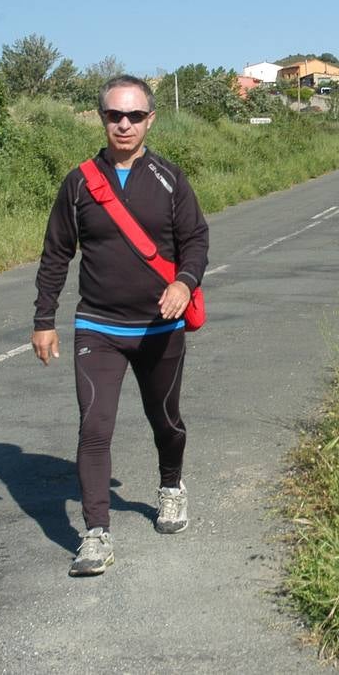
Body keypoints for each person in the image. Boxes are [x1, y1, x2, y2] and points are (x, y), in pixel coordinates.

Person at [31, 75, 210, 577]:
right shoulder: (79, 182)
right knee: (94, 427)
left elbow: (195, 239)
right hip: (98, 326)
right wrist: (44, 319)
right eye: (115, 115)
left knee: (165, 420)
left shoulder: (170, 179)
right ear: (102, 118)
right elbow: (55, 255)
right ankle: (96, 534)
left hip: (159, 328)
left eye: (134, 115)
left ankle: (171, 487)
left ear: (150, 119)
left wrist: (184, 282)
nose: (124, 124)